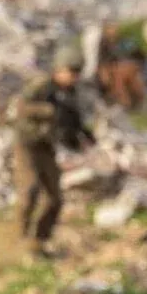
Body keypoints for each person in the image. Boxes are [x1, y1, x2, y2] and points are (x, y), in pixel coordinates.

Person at [12, 44, 90, 258]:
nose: (74, 77)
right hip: (28, 145)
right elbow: (21, 108)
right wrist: (48, 111)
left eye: (77, 73)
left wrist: (83, 137)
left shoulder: (69, 93)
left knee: (54, 198)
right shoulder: (42, 86)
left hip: (47, 146)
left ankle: (40, 240)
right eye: (71, 72)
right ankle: (21, 239)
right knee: (30, 190)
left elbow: (73, 122)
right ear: (59, 68)